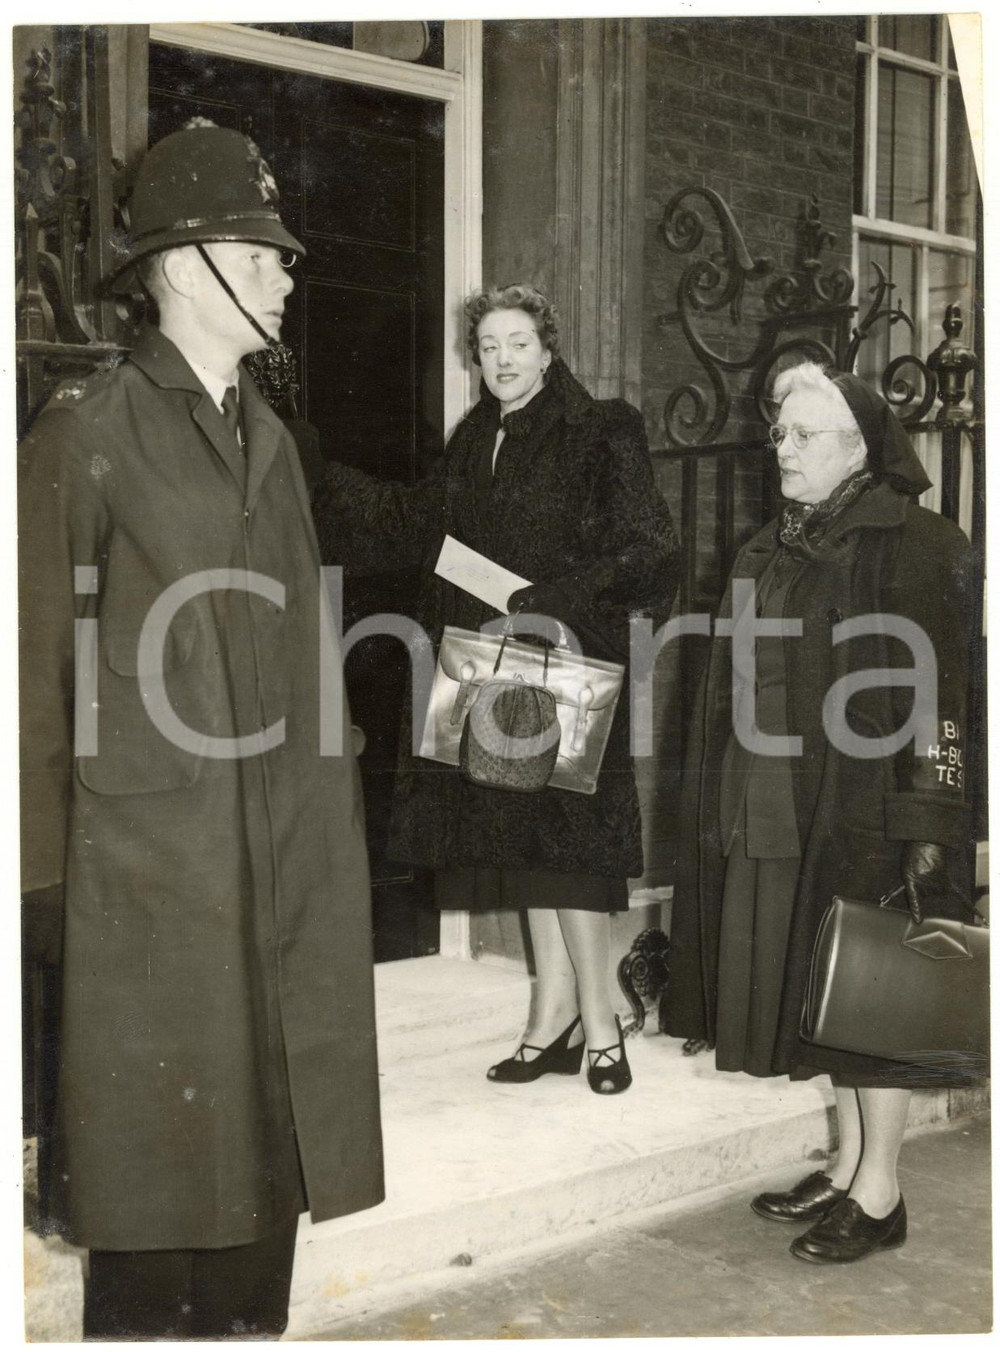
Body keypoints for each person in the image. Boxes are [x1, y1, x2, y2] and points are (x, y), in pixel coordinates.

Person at [18, 120, 384, 1339]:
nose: (287, 274)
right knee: (150, 1240)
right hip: (147, 916)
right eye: (262, 252)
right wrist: (43, 919)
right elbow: (30, 692)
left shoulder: (270, 442)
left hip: (273, 890)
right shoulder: (85, 435)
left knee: (252, 1243)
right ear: (185, 268)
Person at [312, 283, 678, 1095]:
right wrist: (310, 469)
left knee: (570, 849)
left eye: (518, 343)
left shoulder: (602, 427)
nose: (503, 360)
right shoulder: (477, 435)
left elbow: (652, 553)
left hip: (568, 660)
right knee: (523, 842)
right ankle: (553, 1015)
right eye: (487, 348)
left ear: (550, 349)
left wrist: (551, 598)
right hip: (495, 667)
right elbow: (413, 522)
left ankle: (601, 1012)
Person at [664, 360, 976, 1263]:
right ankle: (844, 1167)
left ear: (858, 445)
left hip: (866, 809)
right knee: (819, 984)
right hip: (773, 797)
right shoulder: (771, 543)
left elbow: (942, 698)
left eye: (803, 435)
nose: (782, 449)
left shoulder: (918, 544)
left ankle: (881, 1194)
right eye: (778, 433)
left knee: (875, 998)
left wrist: (930, 822)